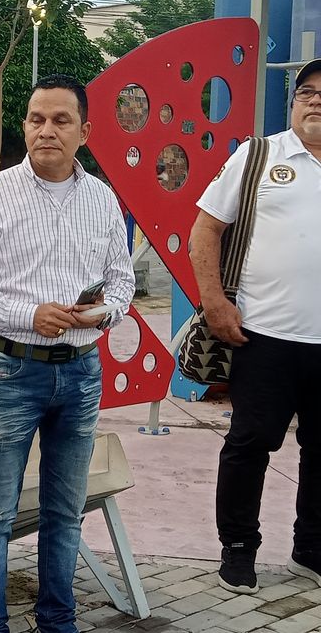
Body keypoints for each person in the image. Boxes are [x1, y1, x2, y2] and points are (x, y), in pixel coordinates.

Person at [0, 74, 135, 633]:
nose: (46, 130)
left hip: (81, 372)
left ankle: (57, 620)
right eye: (36, 119)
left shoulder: (102, 199)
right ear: (24, 125)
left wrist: (101, 313)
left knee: (65, 511)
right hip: (9, 370)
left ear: (85, 132)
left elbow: (121, 283)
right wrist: (30, 315)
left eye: (60, 120)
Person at [190, 58, 321, 595]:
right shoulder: (259, 155)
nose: (316, 100)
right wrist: (214, 302)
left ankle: (311, 550)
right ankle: (239, 549)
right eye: (307, 91)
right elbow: (205, 230)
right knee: (249, 445)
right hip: (263, 336)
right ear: (292, 103)